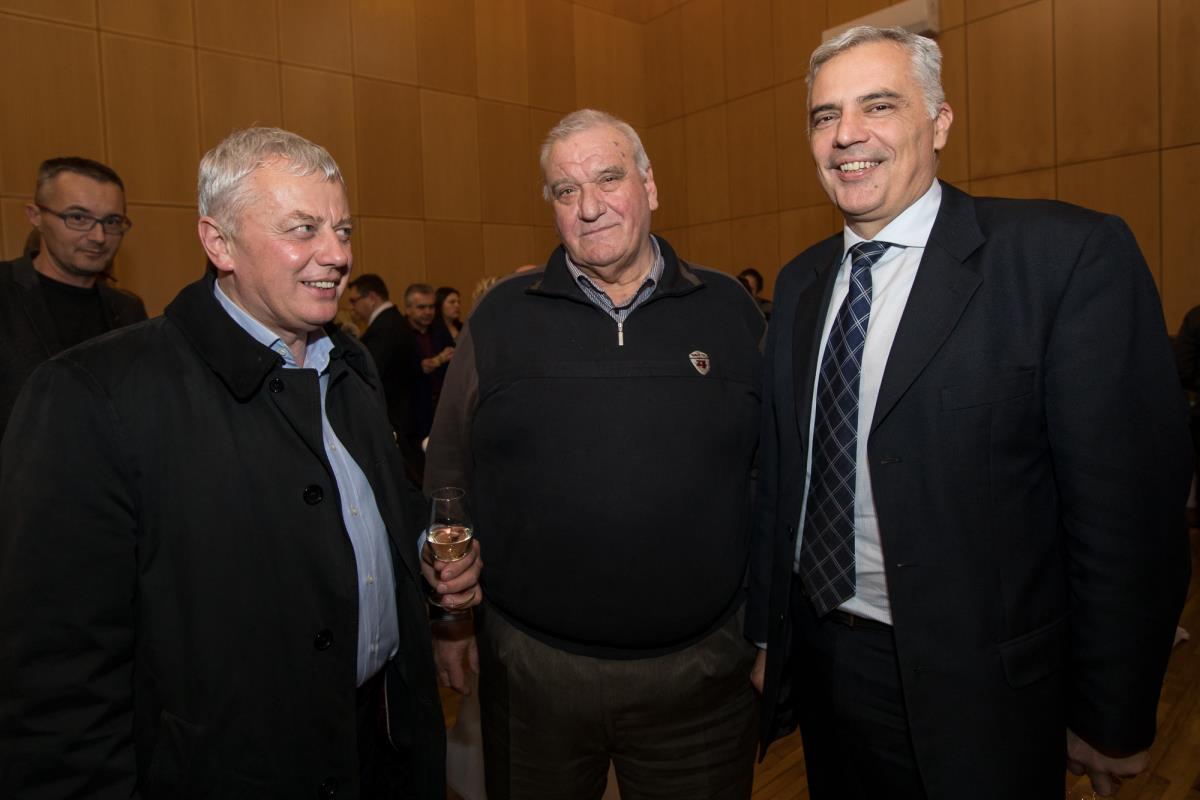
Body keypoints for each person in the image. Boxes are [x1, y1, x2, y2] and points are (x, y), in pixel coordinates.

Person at [747, 26, 1192, 800]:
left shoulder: (1060, 258)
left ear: (940, 122)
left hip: (988, 692)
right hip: (825, 665)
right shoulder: (800, 283)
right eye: (825, 115)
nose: (846, 134)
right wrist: (771, 637)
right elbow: (783, 477)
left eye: (878, 105)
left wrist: (1112, 711)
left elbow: (1127, 513)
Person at [0, 128, 481, 797]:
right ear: (219, 243)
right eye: (303, 229)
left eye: (343, 230)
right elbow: (59, 682)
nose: (338, 254)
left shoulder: (351, 366)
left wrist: (427, 548)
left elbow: (372, 505)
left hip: (380, 747)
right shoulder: (93, 394)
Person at [425, 108, 764, 800]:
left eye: (609, 179)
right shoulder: (500, 319)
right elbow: (449, 474)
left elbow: (773, 476)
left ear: (649, 185)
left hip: (700, 674)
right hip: (533, 675)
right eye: (565, 189)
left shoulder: (729, 310)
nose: (588, 207)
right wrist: (450, 620)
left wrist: (769, 630)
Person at [0, 156, 147, 440]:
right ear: (35, 215)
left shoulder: (127, 310)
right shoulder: (5, 292)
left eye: (112, 221)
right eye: (78, 218)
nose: (99, 236)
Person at [347, 273, 424, 479]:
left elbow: (369, 376)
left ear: (372, 297)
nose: (352, 308)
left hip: (398, 418)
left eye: (354, 301)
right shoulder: (391, 321)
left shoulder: (385, 327)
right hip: (404, 414)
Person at [403, 283, 454, 450]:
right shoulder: (400, 333)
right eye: (421, 307)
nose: (428, 312)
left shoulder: (439, 330)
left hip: (441, 408)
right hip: (413, 413)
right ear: (408, 309)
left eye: (431, 307)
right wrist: (438, 360)